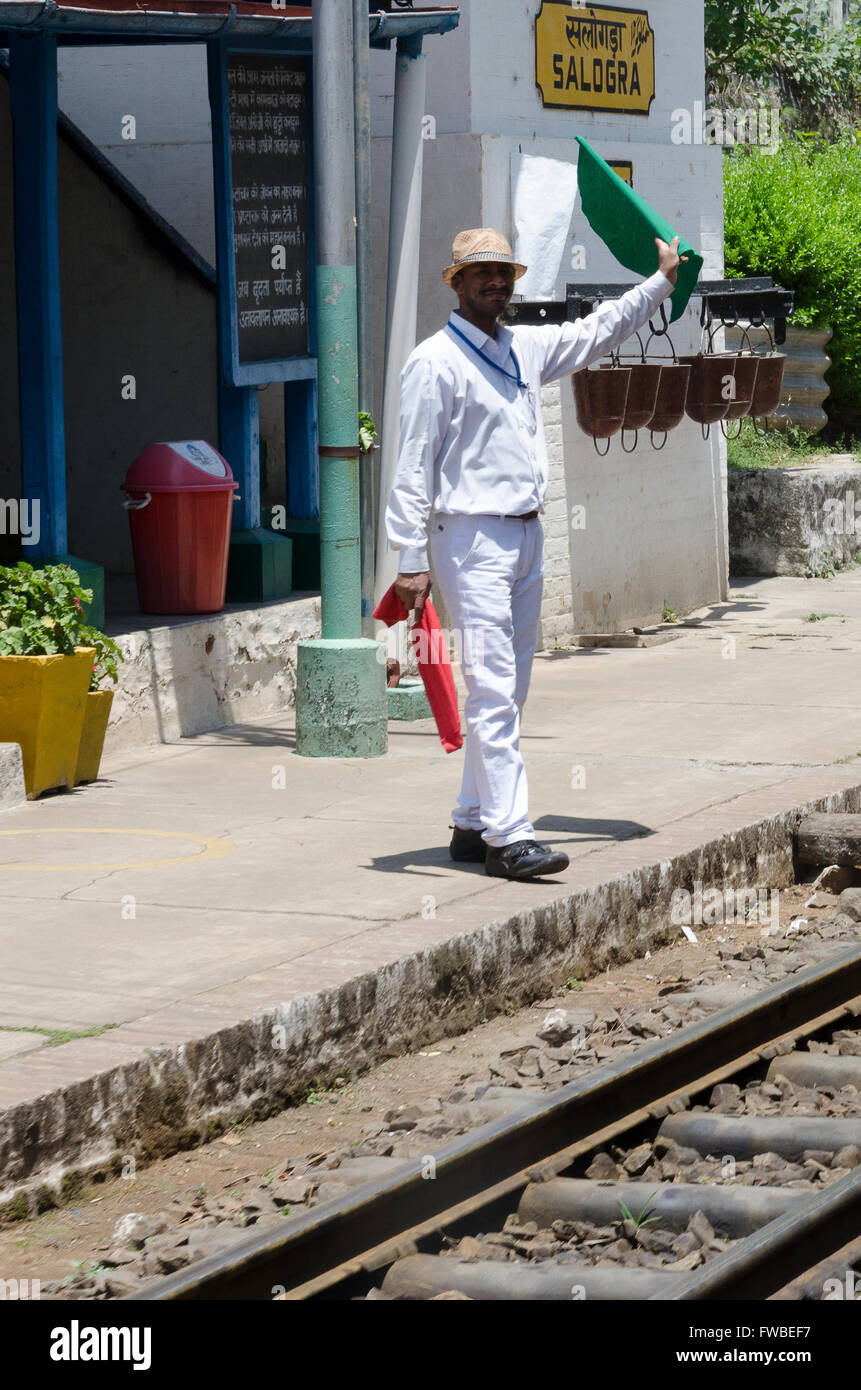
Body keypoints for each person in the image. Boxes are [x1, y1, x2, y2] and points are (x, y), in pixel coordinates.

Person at [385, 227, 683, 881]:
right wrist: (407, 557)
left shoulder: (524, 349)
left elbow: (598, 330)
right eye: (480, 273)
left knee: (509, 689)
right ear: (456, 283)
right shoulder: (433, 363)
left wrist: (660, 282)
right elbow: (410, 468)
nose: (494, 282)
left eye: (502, 272)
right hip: (468, 538)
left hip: (525, 533)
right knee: (491, 688)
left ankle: (471, 820)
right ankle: (510, 838)